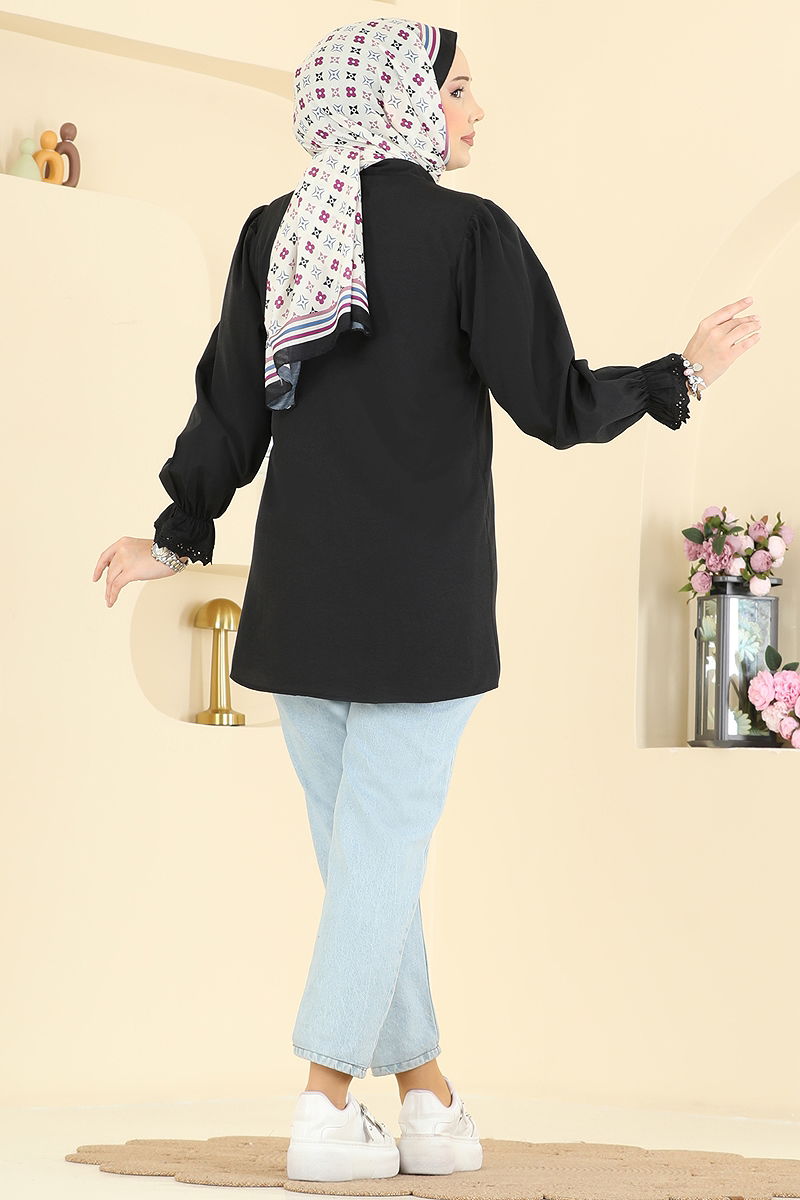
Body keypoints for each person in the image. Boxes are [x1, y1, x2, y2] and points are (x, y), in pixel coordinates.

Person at [92, 16, 761, 1184]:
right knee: (376, 860)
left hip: (299, 602)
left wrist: (175, 532)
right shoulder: (466, 232)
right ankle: (322, 1107)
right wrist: (683, 374)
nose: (476, 109)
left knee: (367, 864)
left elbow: (230, 410)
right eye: (458, 89)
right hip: (420, 607)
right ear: (399, 101)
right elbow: (552, 403)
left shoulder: (275, 231)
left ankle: (428, 1099)